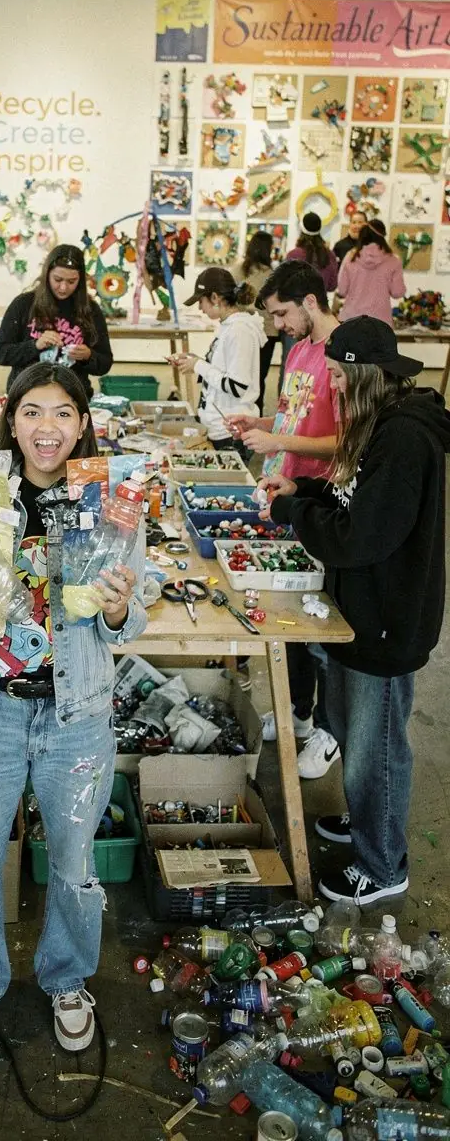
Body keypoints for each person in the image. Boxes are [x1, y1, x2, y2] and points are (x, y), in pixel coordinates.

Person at [0, 362, 146, 1063]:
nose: (49, 428)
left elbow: (131, 614)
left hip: (78, 714)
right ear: (11, 421)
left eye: (64, 413)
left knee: (74, 864)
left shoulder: (108, 503)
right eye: (33, 412)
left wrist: (120, 606)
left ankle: (67, 978)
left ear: (82, 422)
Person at [266, 317, 450, 906]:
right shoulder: (376, 427)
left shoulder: (404, 439)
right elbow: (351, 501)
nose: (335, 388)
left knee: (377, 748)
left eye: (342, 377)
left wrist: (294, 517)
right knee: (348, 729)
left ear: (369, 376)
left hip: (387, 619)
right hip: (357, 611)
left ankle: (382, 860)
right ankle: (368, 818)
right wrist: (307, 495)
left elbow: (359, 538)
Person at [228, 261, 340, 781]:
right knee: (286, 608)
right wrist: (263, 424)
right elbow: (293, 416)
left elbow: (348, 442)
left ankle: (328, 729)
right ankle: (296, 711)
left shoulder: (343, 355)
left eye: (281, 313)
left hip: (320, 500)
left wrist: (279, 442)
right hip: (282, 492)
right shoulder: (297, 350)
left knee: (322, 620)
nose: (277, 325)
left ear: (310, 302)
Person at [0, 244, 113, 397]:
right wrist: (35, 346)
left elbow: (105, 363)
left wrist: (88, 356)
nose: (63, 288)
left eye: (71, 282)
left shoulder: (91, 310)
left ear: (80, 280)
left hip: (72, 398)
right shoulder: (23, 304)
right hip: (26, 395)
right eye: (57, 279)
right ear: (47, 274)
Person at [168, 266, 264, 454]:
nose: (199, 308)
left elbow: (236, 386)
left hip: (230, 432)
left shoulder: (240, 331)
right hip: (219, 427)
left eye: (201, 301)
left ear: (214, 298)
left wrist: (200, 365)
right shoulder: (228, 327)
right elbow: (223, 369)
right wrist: (194, 361)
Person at [283, 214, 339, 383]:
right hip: (321, 312)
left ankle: (287, 406)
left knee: (291, 365)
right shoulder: (329, 255)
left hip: (296, 312)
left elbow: (284, 285)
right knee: (321, 364)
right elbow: (332, 285)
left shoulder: (294, 254)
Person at [231, 231, 278, 414]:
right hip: (267, 331)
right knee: (259, 376)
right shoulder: (273, 275)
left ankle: (238, 411)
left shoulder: (238, 271)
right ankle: (255, 412)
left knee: (241, 372)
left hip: (242, 328)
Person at [336, 219, 405, 328]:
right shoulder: (394, 260)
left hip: (351, 319)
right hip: (381, 322)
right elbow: (398, 292)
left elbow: (342, 290)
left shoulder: (350, 257)